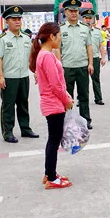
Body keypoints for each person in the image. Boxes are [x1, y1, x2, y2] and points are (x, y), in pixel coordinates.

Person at [29, 22, 73, 189]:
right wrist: (66, 100)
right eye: (59, 35)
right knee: (54, 141)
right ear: (52, 36)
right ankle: (52, 178)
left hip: (52, 102)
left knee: (53, 140)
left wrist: (66, 96)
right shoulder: (46, 56)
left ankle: (49, 173)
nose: (61, 38)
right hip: (53, 104)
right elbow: (55, 85)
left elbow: (55, 83)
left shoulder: (45, 54)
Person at [0, 5, 39, 143]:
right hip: (9, 77)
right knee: (8, 105)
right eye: (14, 19)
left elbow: (30, 57)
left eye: (19, 19)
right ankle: (8, 132)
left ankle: (25, 128)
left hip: (23, 76)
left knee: (23, 104)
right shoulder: (2, 39)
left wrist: (35, 71)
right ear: (7, 21)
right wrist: (0, 76)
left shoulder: (26, 38)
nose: (17, 21)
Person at [57, 0, 94, 130]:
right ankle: (68, 121)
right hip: (67, 67)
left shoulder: (85, 28)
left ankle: (85, 120)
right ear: (65, 12)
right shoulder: (61, 29)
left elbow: (89, 46)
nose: (73, 13)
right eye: (71, 11)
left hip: (82, 66)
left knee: (84, 95)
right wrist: (59, 66)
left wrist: (90, 63)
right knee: (67, 96)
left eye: (76, 11)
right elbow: (58, 49)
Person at [81, 9, 106, 105]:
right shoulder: (80, 31)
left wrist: (103, 57)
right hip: (83, 58)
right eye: (86, 18)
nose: (88, 20)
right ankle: (82, 99)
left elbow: (101, 45)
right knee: (83, 81)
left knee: (96, 79)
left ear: (93, 19)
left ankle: (98, 98)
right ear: (83, 19)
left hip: (95, 58)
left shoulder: (97, 31)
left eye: (90, 18)